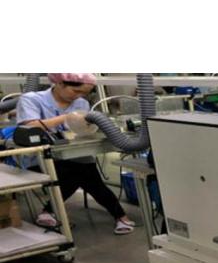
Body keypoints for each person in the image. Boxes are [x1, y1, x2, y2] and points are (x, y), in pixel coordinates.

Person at [16, 73, 136, 235]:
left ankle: (49, 212)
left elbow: (83, 130)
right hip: (40, 159)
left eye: (84, 93)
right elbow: (30, 126)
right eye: (76, 91)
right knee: (83, 173)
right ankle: (120, 216)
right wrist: (67, 117)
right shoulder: (31, 99)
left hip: (73, 154)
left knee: (83, 170)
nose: (79, 96)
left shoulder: (81, 103)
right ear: (60, 83)